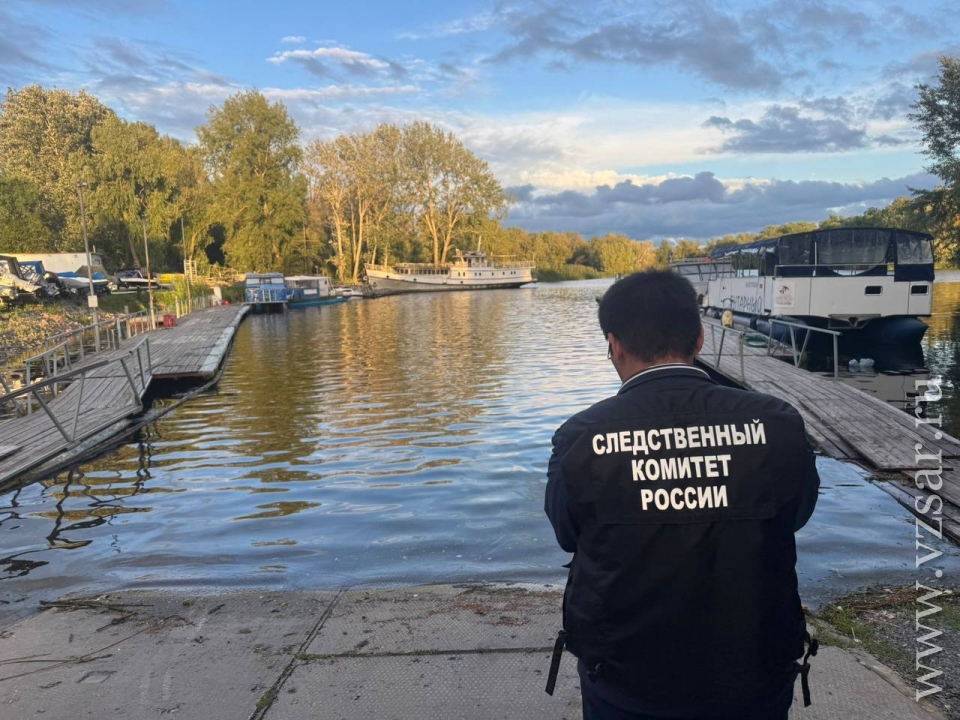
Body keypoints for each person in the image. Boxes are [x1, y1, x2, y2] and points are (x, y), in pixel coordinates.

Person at [545, 270, 820, 720]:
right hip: (753, 669)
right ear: (699, 338)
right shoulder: (777, 423)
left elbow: (566, 533)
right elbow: (797, 514)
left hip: (625, 675)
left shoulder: (581, 437)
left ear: (614, 345)